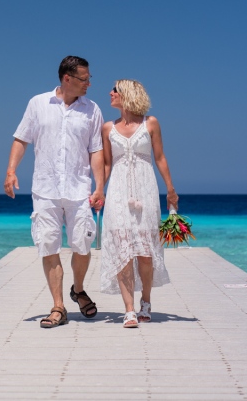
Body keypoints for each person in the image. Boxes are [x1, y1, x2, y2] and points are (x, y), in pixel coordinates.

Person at [4, 56, 105, 328]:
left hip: (79, 188)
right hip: (45, 188)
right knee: (48, 245)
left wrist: (99, 187)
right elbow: (21, 138)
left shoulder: (92, 109)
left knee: (82, 245)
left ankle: (78, 289)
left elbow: (96, 150)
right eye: (84, 79)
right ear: (67, 78)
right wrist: (11, 171)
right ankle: (58, 306)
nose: (89, 84)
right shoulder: (38, 103)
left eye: (89, 78)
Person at [100, 79, 178, 328]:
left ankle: (146, 301)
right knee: (123, 250)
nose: (110, 93)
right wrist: (99, 190)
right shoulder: (107, 128)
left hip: (146, 190)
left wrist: (171, 189)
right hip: (118, 192)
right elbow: (107, 163)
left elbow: (160, 157)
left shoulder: (150, 123)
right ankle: (129, 310)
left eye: (115, 90)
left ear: (128, 95)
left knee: (145, 252)